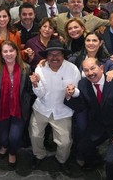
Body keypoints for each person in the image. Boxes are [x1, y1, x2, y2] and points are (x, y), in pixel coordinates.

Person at [65, 58, 113, 180]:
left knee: (111, 161)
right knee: (83, 146)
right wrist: (68, 97)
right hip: (99, 125)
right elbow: (82, 106)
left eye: (93, 68)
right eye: (86, 70)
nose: (90, 73)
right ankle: (96, 161)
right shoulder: (83, 84)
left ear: (102, 68)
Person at [29, 40, 81, 175]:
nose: (54, 57)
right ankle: (39, 155)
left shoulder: (72, 69)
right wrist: (35, 85)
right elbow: (40, 94)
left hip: (62, 111)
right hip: (42, 108)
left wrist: (72, 92)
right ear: (46, 56)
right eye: (51, 54)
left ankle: (61, 160)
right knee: (35, 135)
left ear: (63, 55)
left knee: (64, 143)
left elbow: (78, 92)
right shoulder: (40, 68)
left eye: (58, 54)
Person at [0, 40, 32, 169]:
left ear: (16, 52)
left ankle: (12, 153)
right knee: (3, 138)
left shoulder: (26, 68)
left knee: (14, 138)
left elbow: (29, 90)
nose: (8, 54)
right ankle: (4, 147)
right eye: (5, 51)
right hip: (1, 108)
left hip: (19, 109)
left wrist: (35, 83)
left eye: (11, 51)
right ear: (1, 53)